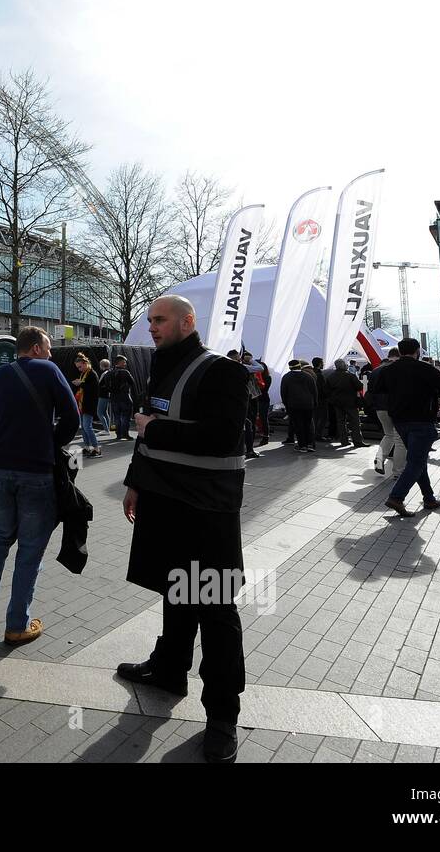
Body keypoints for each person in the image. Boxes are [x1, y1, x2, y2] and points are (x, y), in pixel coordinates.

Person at [114, 295, 248, 763]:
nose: (152, 327)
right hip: (165, 502)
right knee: (175, 590)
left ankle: (222, 716)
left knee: (213, 606)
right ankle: (169, 670)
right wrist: (135, 484)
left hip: (207, 513)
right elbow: (150, 433)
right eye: (149, 320)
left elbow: (222, 437)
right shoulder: (160, 369)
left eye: (160, 319)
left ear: (188, 322)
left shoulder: (223, 371)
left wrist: (152, 430)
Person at [0, 327, 78, 646]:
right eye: (50, 347)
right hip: (36, 471)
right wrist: (51, 444)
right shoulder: (48, 370)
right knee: (29, 549)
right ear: (38, 348)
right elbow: (71, 415)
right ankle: (16, 624)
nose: (52, 354)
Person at [383, 337, 440, 516]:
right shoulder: (426, 368)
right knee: (416, 461)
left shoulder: (388, 370)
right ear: (417, 351)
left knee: (418, 459)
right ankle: (396, 497)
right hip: (422, 419)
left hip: (400, 420)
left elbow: (377, 391)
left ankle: (429, 497)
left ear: (399, 351)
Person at [366, 348, 406, 475]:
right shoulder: (398, 369)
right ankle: (398, 472)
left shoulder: (375, 371)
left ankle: (380, 458)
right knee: (399, 439)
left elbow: (370, 391)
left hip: (379, 408)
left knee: (388, 435)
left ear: (388, 356)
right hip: (396, 407)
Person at [325, 359, 368, 448]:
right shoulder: (350, 376)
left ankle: (344, 441)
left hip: (337, 403)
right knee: (355, 422)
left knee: (340, 422)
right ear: (343, 365)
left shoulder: (331, 376)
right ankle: (357, 441)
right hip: (351, 402)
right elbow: (359, 386)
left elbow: (327, 390)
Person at [280, 359, 318, 452]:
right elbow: (314, 391)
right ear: (300, 366)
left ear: (290, 367)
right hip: (308, 404)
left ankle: (302, 446)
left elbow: (283, 392)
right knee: (309, 424)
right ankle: (310, 444)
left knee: (298, 425)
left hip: (293, 405)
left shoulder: (286, 377)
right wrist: (315, 403)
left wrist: (286, 404)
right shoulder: (308, 376)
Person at [71, 352, 102, 457]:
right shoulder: (84, 374)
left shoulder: (92, 374)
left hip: (89, 404)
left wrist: (80, 384)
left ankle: (96, 448)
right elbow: (85, 388)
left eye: (80, 367)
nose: (79, 369)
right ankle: (88, 447)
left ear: (85, 363)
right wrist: (80, 384)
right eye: (78, 367)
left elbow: (93, 389)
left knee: (87, 427)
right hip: (83, 404)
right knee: (84, 427)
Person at [101, 355, 137, 442]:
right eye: (124, 362)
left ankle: (119, 435)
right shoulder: (125, 372)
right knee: (125, 417)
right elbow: (132, 383)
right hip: (125, 397)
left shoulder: (109, 373)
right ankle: (125, 434)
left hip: (114, 398)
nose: (125, 364)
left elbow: (104, 385)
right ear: (119, 362)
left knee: (117, 417)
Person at [310, 357, 330, 441]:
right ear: (319, 364)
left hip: (313, 399)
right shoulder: (319, 375)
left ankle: (314, 434)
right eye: (322, 363)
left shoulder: (311, 373)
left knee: (315, 417)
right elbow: (322, 388)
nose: (323, 364)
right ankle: (318, 434)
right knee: (323, 418)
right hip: (321, 399)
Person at [96, 358, 112, 432]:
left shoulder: (105, 374)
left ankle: (106, 429)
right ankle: (107, 428)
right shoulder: (109, 372)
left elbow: (101, 385)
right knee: (105, 412)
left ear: (102, 365)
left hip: (103, 395)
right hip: (107, 395)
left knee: (99, 413)